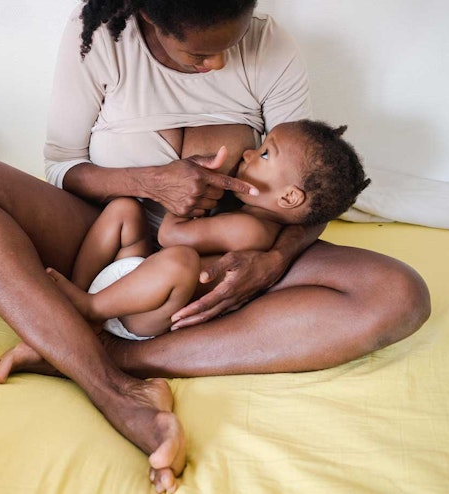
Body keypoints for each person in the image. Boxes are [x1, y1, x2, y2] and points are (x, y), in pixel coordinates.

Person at [0, 1, 431, 492]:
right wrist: (151, 182)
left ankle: (98, 351)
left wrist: (271, 260)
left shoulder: (271, 46)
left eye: (236, 36)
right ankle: (112, 390)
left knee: (398, 293)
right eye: (200, 53)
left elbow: (307, 192)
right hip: (112, 236)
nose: (221, 61)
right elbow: (62, 165)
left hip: (221, 268)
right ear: (148, 18)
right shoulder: (101, 38)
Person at [48, 120, 370, 341]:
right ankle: (76, 296)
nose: (248, 153)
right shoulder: (250, 221)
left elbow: (168, 236)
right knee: (124, 209)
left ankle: (88, 310)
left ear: (289, 197)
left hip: (145, 312)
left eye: (265, 153)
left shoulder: (250, 230)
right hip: (134, 284)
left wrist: (187, 193)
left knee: (181, 260)